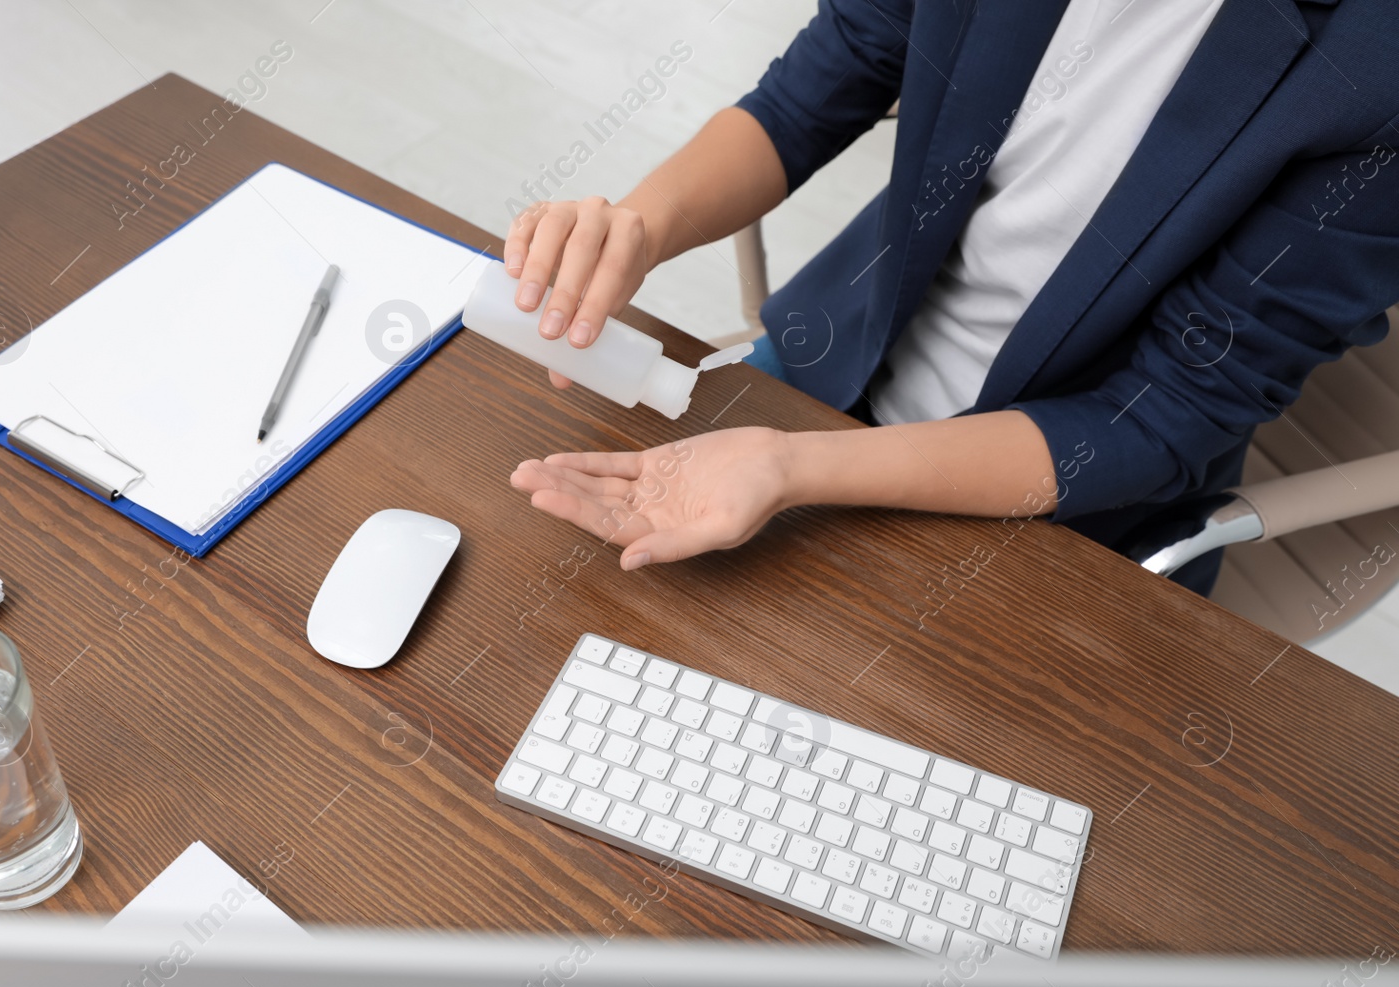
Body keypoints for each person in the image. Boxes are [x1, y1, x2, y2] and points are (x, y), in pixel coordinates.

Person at [505, 0, 1399, 592]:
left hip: (1055, 500)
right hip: (838, 357)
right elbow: (829, 76)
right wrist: (640, 226)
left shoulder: (1374, 72)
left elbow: (1165, 415)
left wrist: (791, 465)